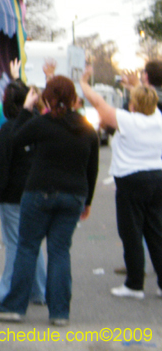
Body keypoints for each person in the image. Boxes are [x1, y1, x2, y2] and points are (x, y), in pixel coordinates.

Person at [0, 77, 98, 326]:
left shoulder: (42, 123)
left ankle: (14, 307)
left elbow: (14, 139)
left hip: (39, 192)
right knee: (60, 252)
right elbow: (92, 168)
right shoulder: (86, 128)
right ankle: (59, 312)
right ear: (73, 99)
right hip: (73, 195)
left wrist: (27, 110)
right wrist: (87, 201)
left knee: (27, 248)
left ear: (46, 98)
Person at [79, 66, 162, 300]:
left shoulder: (127, 120)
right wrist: (136, 86)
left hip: (131, 180)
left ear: (133, 104)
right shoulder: (158, 118)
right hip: (157, 177)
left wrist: (84, 82)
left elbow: (97, 102)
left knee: (132, 232)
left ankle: (134, 284)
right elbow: (146, 100)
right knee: (156, 231)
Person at [0, 80, 47, 308]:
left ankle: (5, 292)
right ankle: (40, 290)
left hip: (12, 194)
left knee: (14, 244)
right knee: (30, 243)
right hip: (35, 190)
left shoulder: (9, 129)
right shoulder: (38, 124)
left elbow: (3, 166)